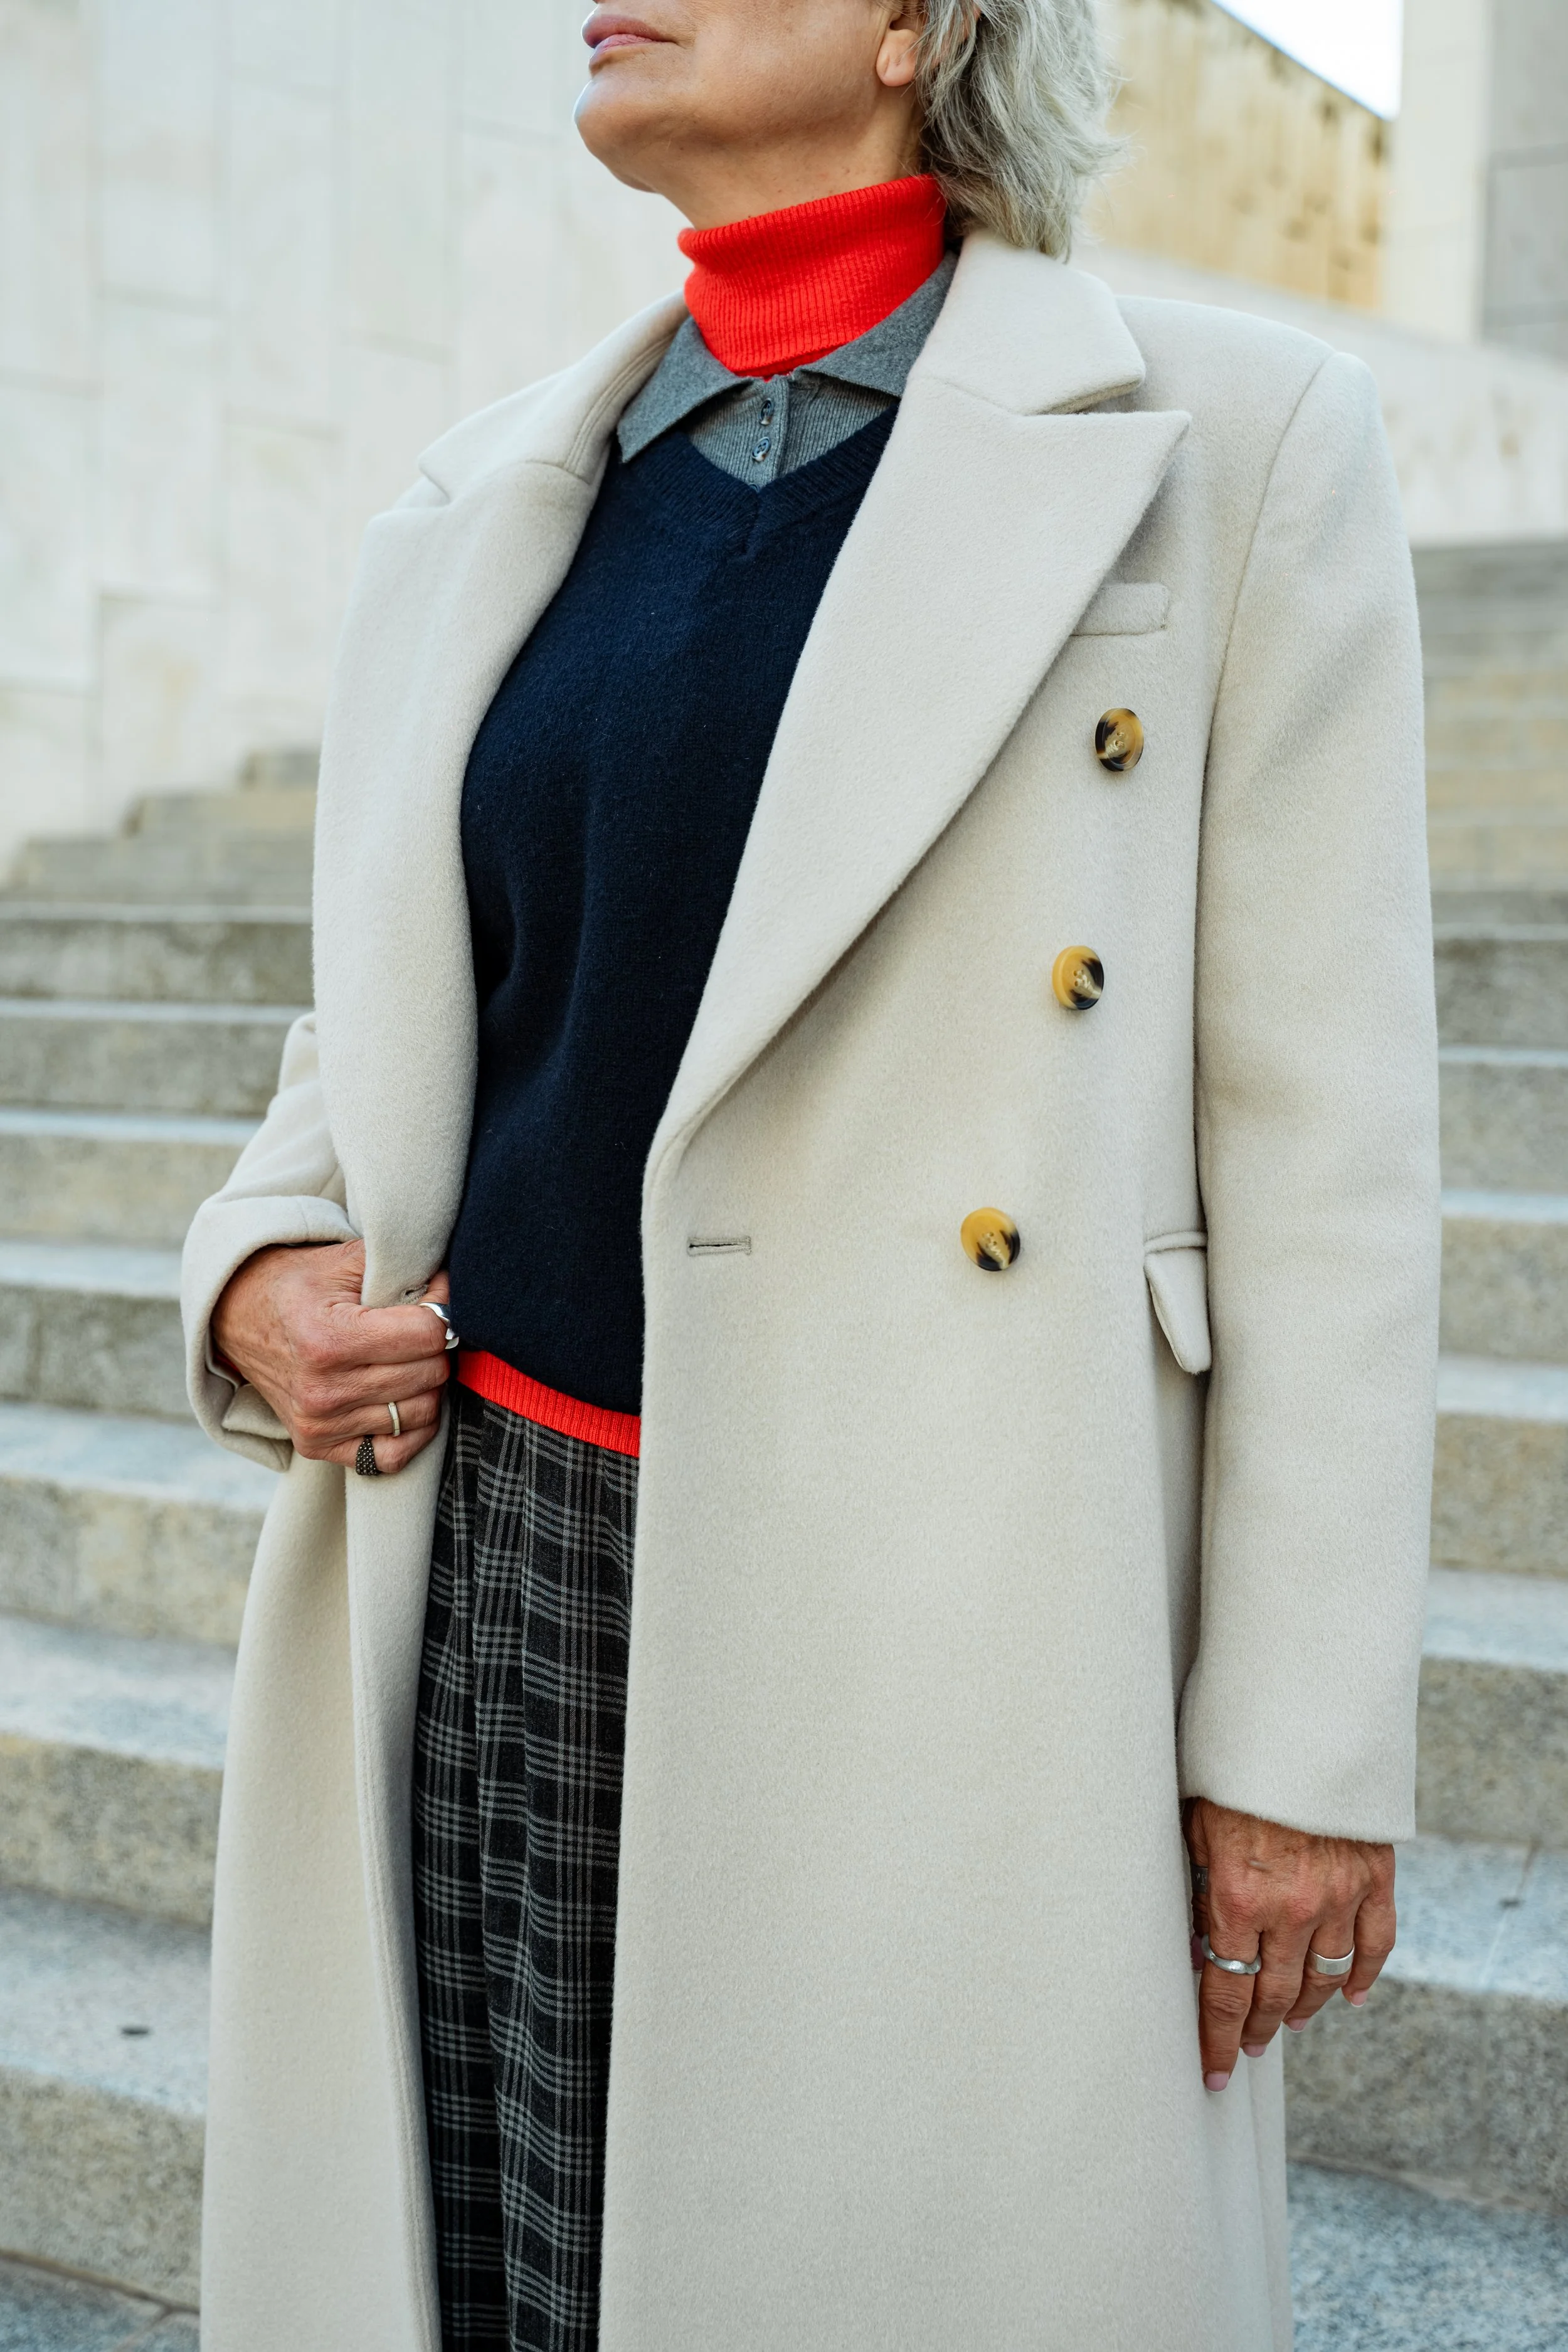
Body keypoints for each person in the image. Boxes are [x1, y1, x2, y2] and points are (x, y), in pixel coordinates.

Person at [181, 0, 1440, 2346]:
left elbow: (1331, 1149)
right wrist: (257, 1265)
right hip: (501, 1544)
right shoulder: (481, 494)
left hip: (962, 1589)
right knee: (510, 2267)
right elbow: (389, 1009)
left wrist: (1293, 1745)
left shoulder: (1236, 443)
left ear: (914, 25)